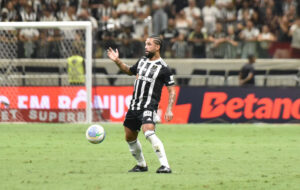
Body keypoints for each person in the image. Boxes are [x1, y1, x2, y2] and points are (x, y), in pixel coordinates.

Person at [107, 35, 176, 173]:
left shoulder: (164, 68)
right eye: (145, 44)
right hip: (134, 106)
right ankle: (141, 165)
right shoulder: (142, 61)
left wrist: (169, 109)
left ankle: (165, 166)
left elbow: (172, 91)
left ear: (157, 47)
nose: (146, 46)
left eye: (149, 44)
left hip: (149, 105)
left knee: (148, 131)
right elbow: (129, 71)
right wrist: (117, 61)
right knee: (129, 136)